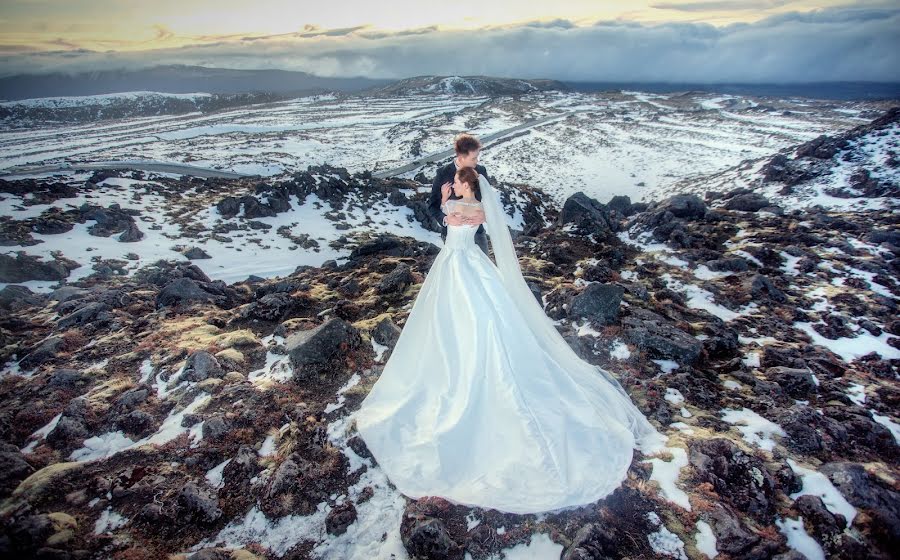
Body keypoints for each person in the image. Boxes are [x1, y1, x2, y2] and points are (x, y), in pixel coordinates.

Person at [354, 167, 666, 514]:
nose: (451, 183)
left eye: (456, 181)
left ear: (469, 186)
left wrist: (446, 204)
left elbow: (452, 220)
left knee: (480, 325)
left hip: (463, 268)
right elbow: (447, 217)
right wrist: (445, 201)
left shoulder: (469, 209)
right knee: (450, 325)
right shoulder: (463, 204)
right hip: (456, 268)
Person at [428, 134, 491, 257]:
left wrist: (485, 216)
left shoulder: (481, 171)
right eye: (473, 158)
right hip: (453, 236)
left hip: (476, 233)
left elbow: (490, 202)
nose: (477, 161)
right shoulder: (443, 173)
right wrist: (446, 219)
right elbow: (432, 206)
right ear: (461, 157)